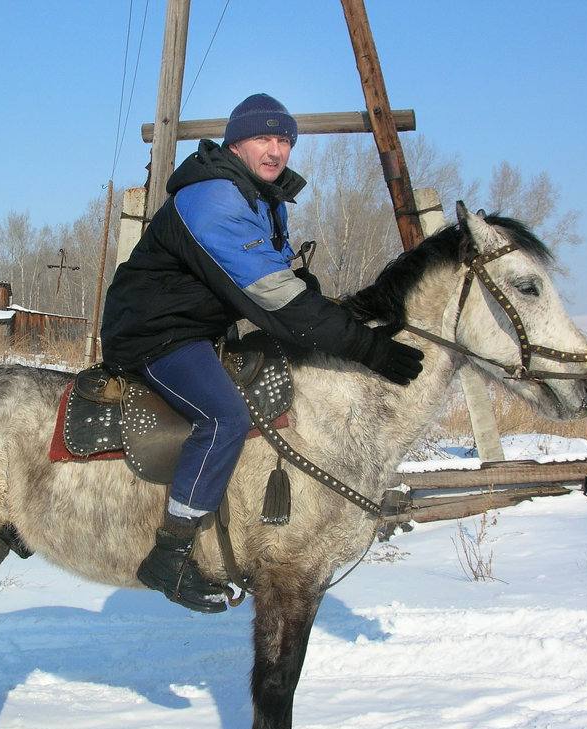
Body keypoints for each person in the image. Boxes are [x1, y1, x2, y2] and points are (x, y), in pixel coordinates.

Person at [100, 93, 423, 613]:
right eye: (263, 139)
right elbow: (274, 299)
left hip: (199, 329)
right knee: (225, 415)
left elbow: (274, 283)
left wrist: (311, 297)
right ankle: (171, 552)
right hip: (153, 333)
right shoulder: (214, 198)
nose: (275, 150)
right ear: (236, 144)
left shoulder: (261, 197)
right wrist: (366, 347)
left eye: (283, 140)